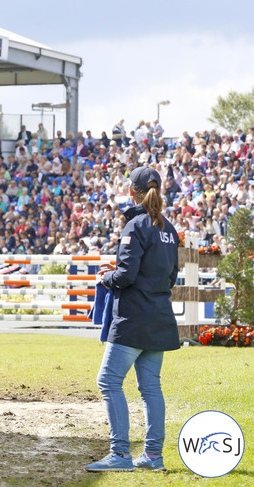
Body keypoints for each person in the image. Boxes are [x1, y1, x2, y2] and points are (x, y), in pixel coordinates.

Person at [86, 166, 180, 472]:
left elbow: (125, 276)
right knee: (150, 387)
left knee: (108, 380)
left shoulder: (135, 225)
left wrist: (107, 277)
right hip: (160, 316)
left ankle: (121, 454)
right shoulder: (169, 228)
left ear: (132, 192)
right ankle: (153, 456)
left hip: (133, 317)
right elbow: (172, 276)